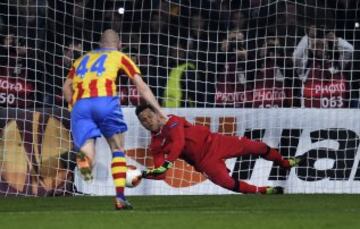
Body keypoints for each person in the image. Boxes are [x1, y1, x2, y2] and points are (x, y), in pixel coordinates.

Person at [62, 29, 165, 210]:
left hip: (80, 106)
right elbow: (141, 86)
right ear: (119, 45)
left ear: (100, 44)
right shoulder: (119, 56)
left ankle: (85, 165)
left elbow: (66, 87)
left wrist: (74, 107)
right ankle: (119, 198)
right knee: (117, 149)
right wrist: (158, 110)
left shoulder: (80, 60)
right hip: (105, 101)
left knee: (87, 151)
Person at [136, 104, 304, 194]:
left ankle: (285, 163)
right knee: (227, 183)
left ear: (157, 115)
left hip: (216, 142)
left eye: (149, 116)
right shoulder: (155, 145)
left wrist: (166, 164)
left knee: (257, 146)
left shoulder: (172, 121)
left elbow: (178, 143)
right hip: (204, 161)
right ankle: (264, 191)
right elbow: (162, 174)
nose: (148, 121)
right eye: (143, 120)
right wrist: (142, 174)